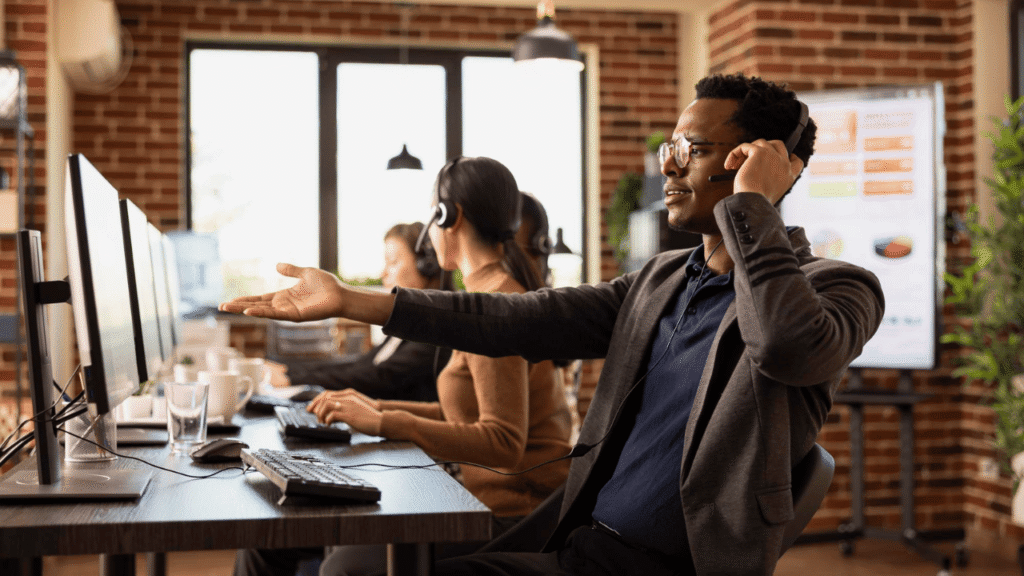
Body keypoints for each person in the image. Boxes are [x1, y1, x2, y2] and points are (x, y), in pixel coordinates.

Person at [222, 73, 885, 576]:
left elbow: (786, 346)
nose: (670, 165)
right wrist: (350, 300)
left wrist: (753, 210)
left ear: (753, 162)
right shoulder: (660, 281)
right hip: (578, 539)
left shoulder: (841, 289)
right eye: (668, 147)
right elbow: (511, 318)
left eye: (692, 148)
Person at [309, 157, 573, 576]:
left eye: (432, 217)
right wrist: (376, 410)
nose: (428, 234)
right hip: (484, 499)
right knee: (345, 538)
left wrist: (385, 424)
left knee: (344, 567)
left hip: (515, 515)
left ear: (450, 217)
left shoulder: (498, 305)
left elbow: (503, 443)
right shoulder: (486, 294)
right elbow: (462, 414)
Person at [272, 222, 452, 402]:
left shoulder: (439, 325)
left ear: (427, 266)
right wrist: (288, 370)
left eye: (393, 262)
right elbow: (361, 365)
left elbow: (378, 376)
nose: (383, 273)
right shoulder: (410, 321)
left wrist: (293, 379)